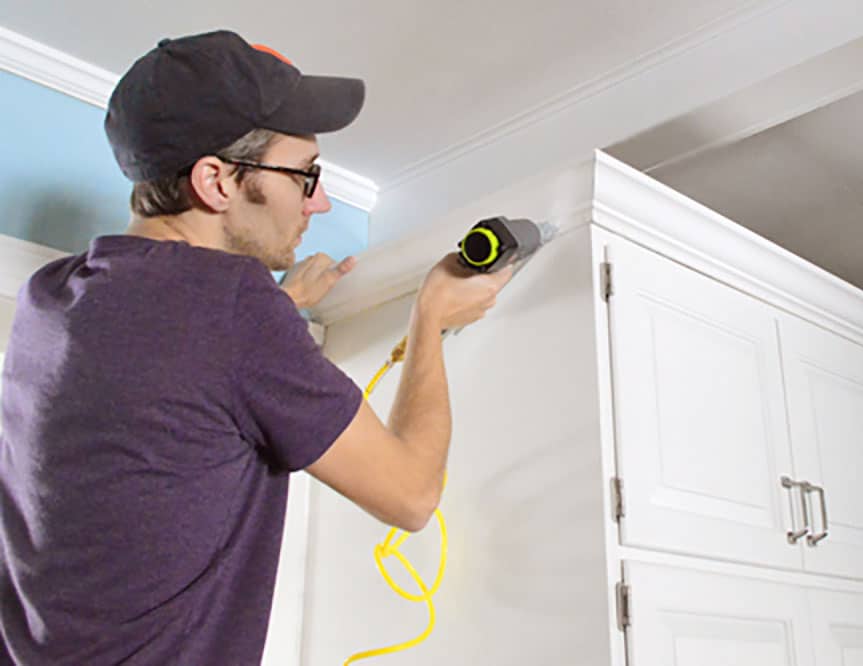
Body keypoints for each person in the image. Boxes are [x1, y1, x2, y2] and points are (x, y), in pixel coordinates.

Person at [0, 30, 512, 665]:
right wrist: (429, 318)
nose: (319, 202)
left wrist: (283, 305)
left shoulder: (48, 298)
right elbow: (410, 495)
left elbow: (168, 370)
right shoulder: (235, 308)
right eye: (305, 176)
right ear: (216, 181)